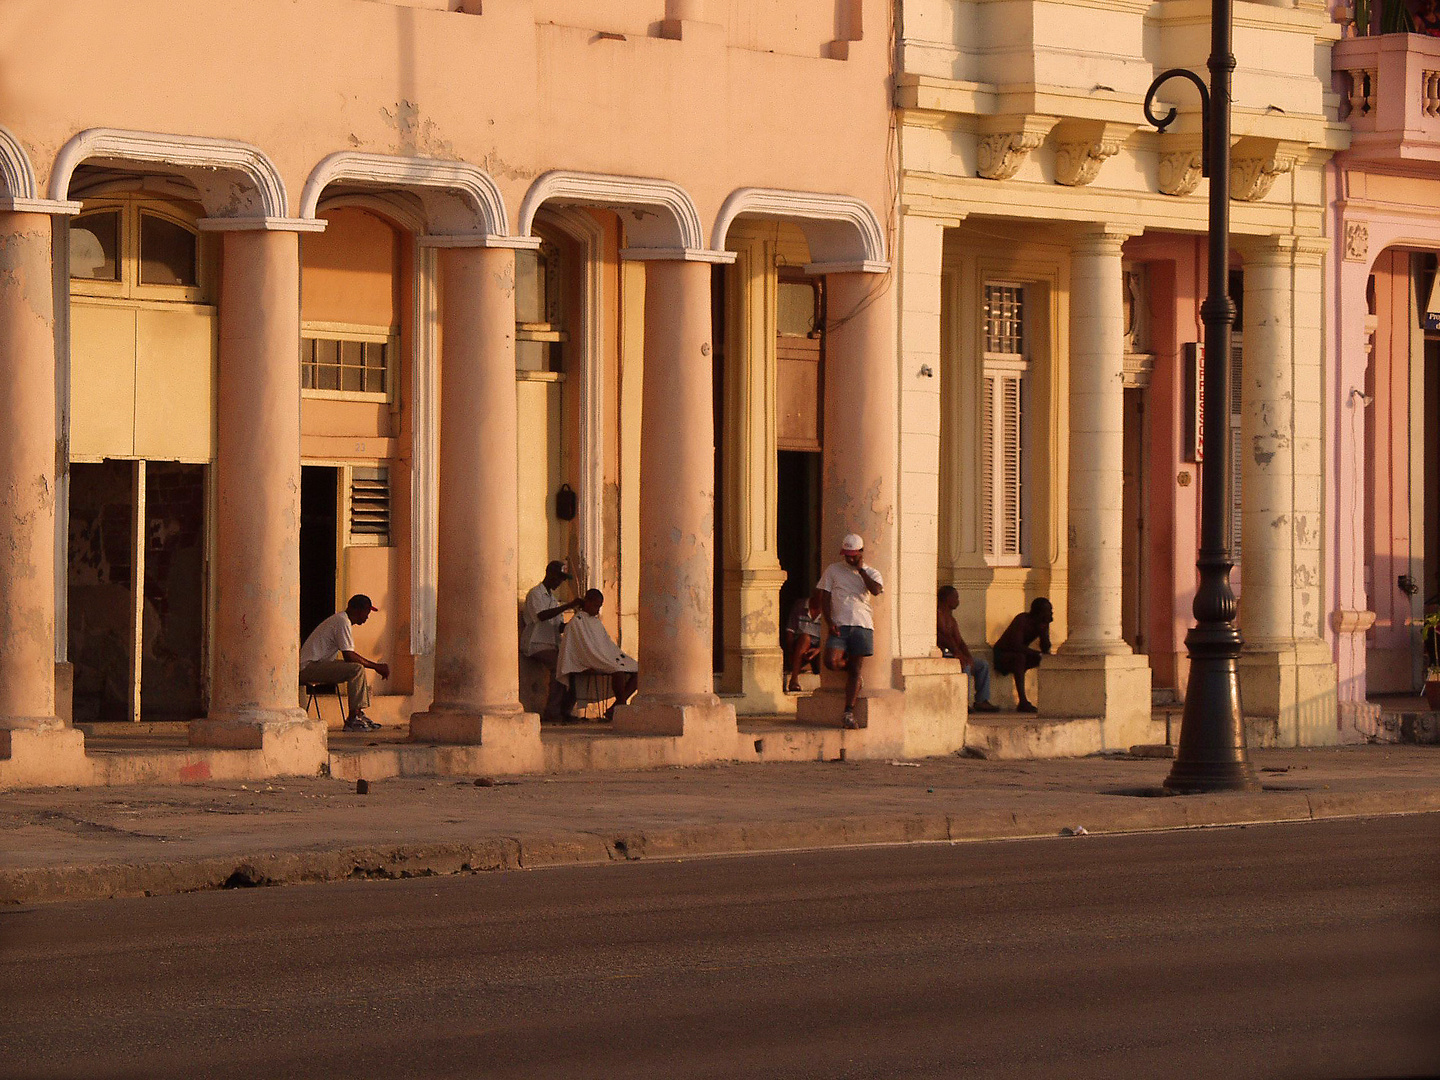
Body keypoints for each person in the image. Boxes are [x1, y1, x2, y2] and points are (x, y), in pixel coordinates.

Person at [816, 533, 883, 730]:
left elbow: (876, 590)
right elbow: (825, 597)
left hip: (862, 625)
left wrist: (861, 571)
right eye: (847, 555)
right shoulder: (833, 570)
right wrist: (829, 622)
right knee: (831, 661)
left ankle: (848, 711)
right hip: (840, 624)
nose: (850, 559)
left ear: (861, 553)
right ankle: (855, 677)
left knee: (856, 668)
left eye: (854, 555)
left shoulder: (872, 572)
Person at [299, 594, 390, 732]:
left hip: (315, 665)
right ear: (357, 610)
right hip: (307, 668)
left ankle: (358, 713)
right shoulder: (342, 621)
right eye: (366, 612)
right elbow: (349, 656)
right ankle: (353, 719)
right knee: (356, 669)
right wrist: (376, 667)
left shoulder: (341, 620)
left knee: (356, 668)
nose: (367, 616)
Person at [556, 589, 638, 722]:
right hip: (588, 659)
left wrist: (609, 655)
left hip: (603, 657)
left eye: (599, 607)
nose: (597, 610)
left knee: (638, 670)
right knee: (617, 671)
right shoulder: (577, 621)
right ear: (587, 602)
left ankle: (616, 707)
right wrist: (598, 658)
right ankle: (621, 707)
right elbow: (582, 648)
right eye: (595, 606)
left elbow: (606, 644)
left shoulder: (595, 622)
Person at [521, 560, 582, 722]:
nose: (560, 582)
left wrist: (576, 623)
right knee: (559, 667)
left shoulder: (553, 600)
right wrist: (568, 606)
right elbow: (541, 616)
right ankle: (551, 711)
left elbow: (558, 627)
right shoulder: (535, 594)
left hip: (553, 643)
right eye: (559, 578)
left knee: (575, 667)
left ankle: (565, 710)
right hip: (536, 644)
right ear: (550, 574)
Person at [936, 585, 997, 712]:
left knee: (982, 665)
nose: (958, 601)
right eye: (956, 597)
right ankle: (964, 702)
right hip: (944, 654)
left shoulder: (951, 619)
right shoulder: (938, 615)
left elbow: (959, 641)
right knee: (966, 667)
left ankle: (982, 700)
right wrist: (959, 655)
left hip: (955, 653)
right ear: (947, 599)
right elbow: (944, 638)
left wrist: (967, 656)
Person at [991, 597, 1053, 714]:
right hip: (1002, 655)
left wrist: (1043, 631)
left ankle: (1048, 699)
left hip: (1020, 655)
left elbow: (1045, 649)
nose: (1050, 613)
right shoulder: (1022, 620)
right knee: (1020, 658)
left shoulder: (1041, 624)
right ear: (1039, 612)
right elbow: (1016, 645)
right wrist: (1037, 654)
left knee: (1047, 660)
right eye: (1048, 611)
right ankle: (1023, 701)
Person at [783, 592, 825, 693]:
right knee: (805, 638)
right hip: (799, 646)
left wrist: (818, 650)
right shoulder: (801, 605)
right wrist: (790, 652)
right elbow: (790, 631)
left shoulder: (828, 611)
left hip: (817, 649)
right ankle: (794, 680)